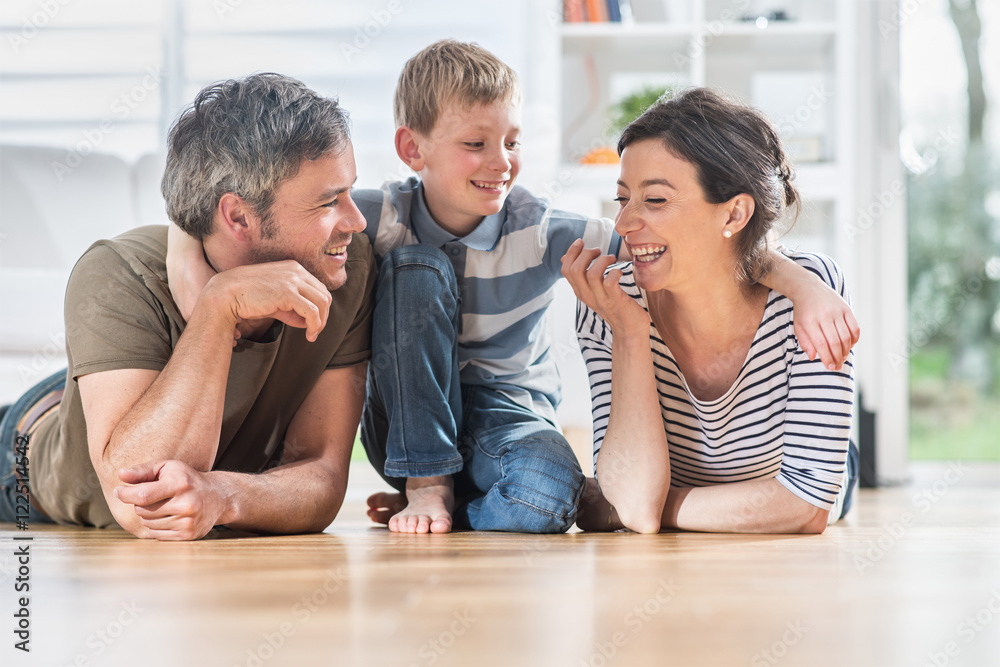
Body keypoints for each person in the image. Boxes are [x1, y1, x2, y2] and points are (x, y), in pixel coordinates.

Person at [168, 41, 856, 535]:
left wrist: (800, 280)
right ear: (414, 150)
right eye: (476, 144)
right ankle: (428, 481)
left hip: (507, 415)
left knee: (548, 500)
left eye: (512, 141)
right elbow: (199, 218)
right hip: (405, 415)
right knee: (415, 268)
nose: (501, 163)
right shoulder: (375, 212)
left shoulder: (543, 228)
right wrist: (205, 298)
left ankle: (461, 499)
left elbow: (698, 249)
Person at [0, 73, 375, 541]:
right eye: (328, 203)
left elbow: (322, 474)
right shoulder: (117, 273)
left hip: (151, 386)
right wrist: (219, 306)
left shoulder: (346, 265)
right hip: (31, 454)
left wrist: (220, 494)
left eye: (349, 192)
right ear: (237, 216)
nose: (356, 221)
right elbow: (142, 500)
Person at [562, 87, 860, 535]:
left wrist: (637, 501)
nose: (623, 224)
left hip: (824, 471)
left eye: (656, 200)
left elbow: (807, 504)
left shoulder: (810, 293)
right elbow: (639, 512)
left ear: (734, 214)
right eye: (623, 198)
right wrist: (628, 331)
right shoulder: (611, 301)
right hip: (726, 491)